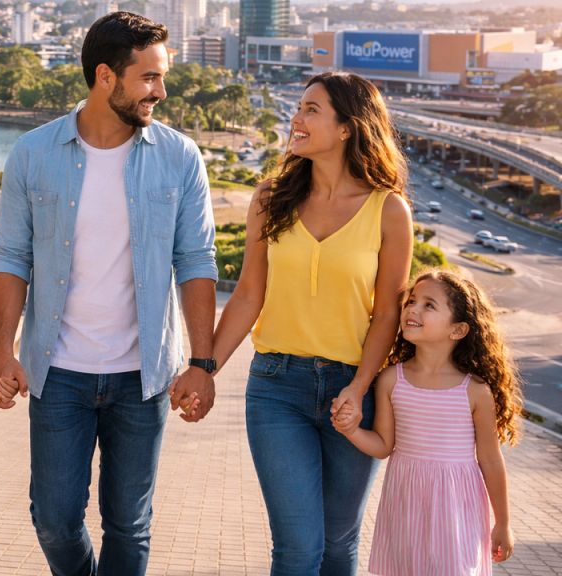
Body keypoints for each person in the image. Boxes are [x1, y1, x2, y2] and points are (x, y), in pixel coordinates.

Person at [0, 12, 218, 576]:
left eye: (162, 78)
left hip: (143, 377)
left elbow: (195, 263)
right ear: (105, 77)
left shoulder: (180, 157)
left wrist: (203, 362)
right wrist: (3, 350)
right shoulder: (33, 154)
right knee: (54, 520)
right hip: (58, 373)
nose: (160, 92)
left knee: (129, 525)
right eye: (149, 78)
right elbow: (12, 258)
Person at [202, 71, 414, 575]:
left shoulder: (389, 210)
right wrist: (202, 366)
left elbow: (388, 313)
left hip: (352, 391)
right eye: (298, 108)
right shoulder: (270, 198)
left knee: (339, 548)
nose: (295, 119)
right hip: (276, 387)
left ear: (347, 127)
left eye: (311, 110)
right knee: (299, 548)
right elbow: (249, 294)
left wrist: (360, 387)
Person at [332, 268, 521, 574]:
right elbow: (383, 446)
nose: (412, 309)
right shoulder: (393, 379)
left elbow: (490, 460)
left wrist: (503, 522)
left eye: (428, 305)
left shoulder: (474, 391)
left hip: (456, 508)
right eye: (411, 301)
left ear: (457, 330)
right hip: (406, 504)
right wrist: (352, 430)